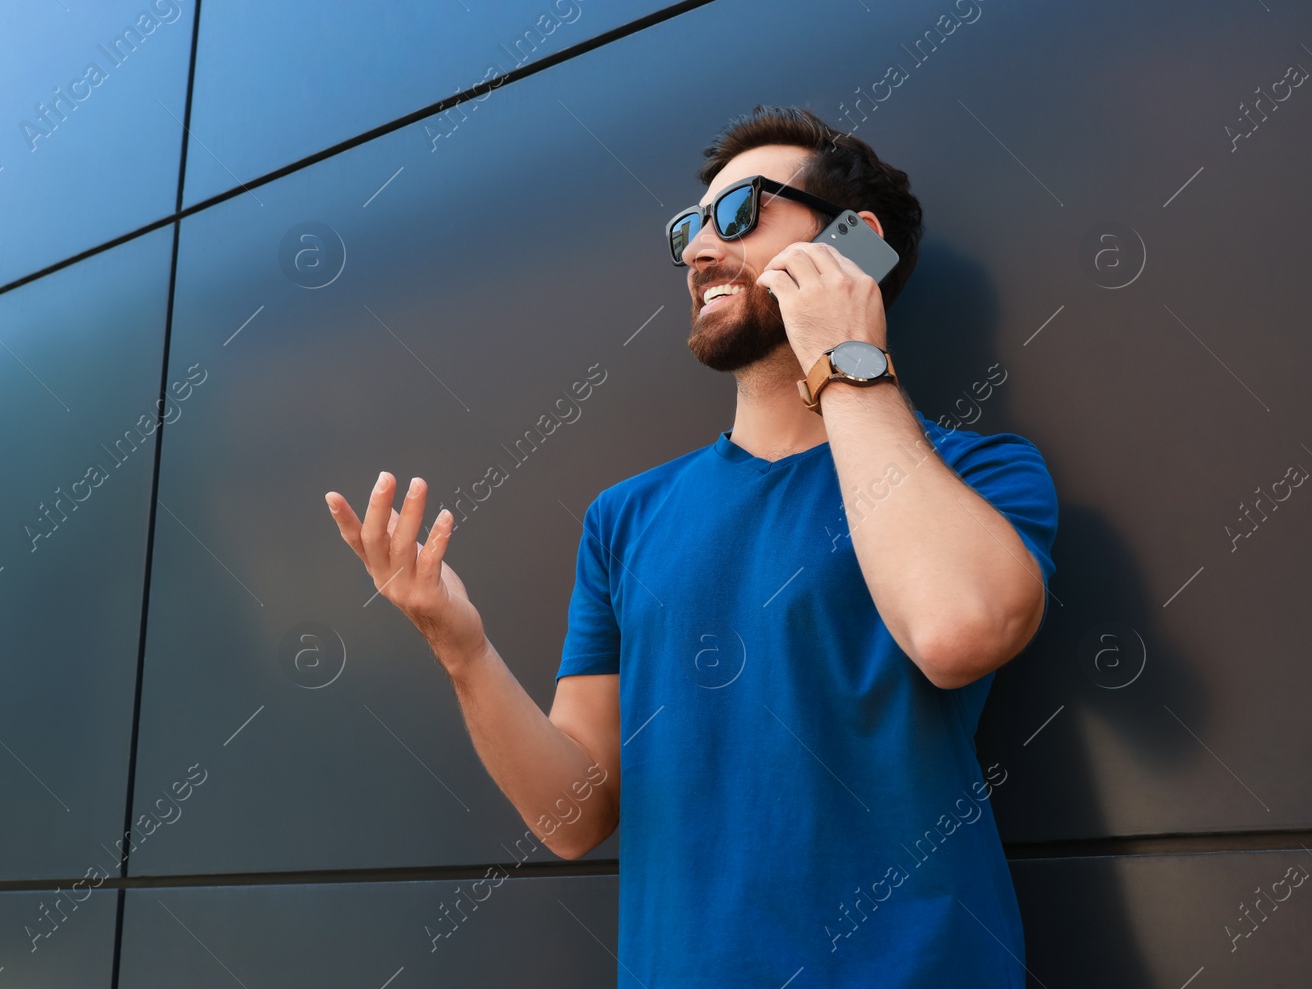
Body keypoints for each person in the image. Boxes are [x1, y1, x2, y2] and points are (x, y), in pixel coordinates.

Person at [324, 104, 1058, 987]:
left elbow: (958, 632)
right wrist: (462, 649)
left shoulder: (980, 473)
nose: (703, 249)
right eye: (690, 229)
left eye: (741, 212)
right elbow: (573, 815)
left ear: (858, 243)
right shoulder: (625, 518)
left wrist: (845, 355)